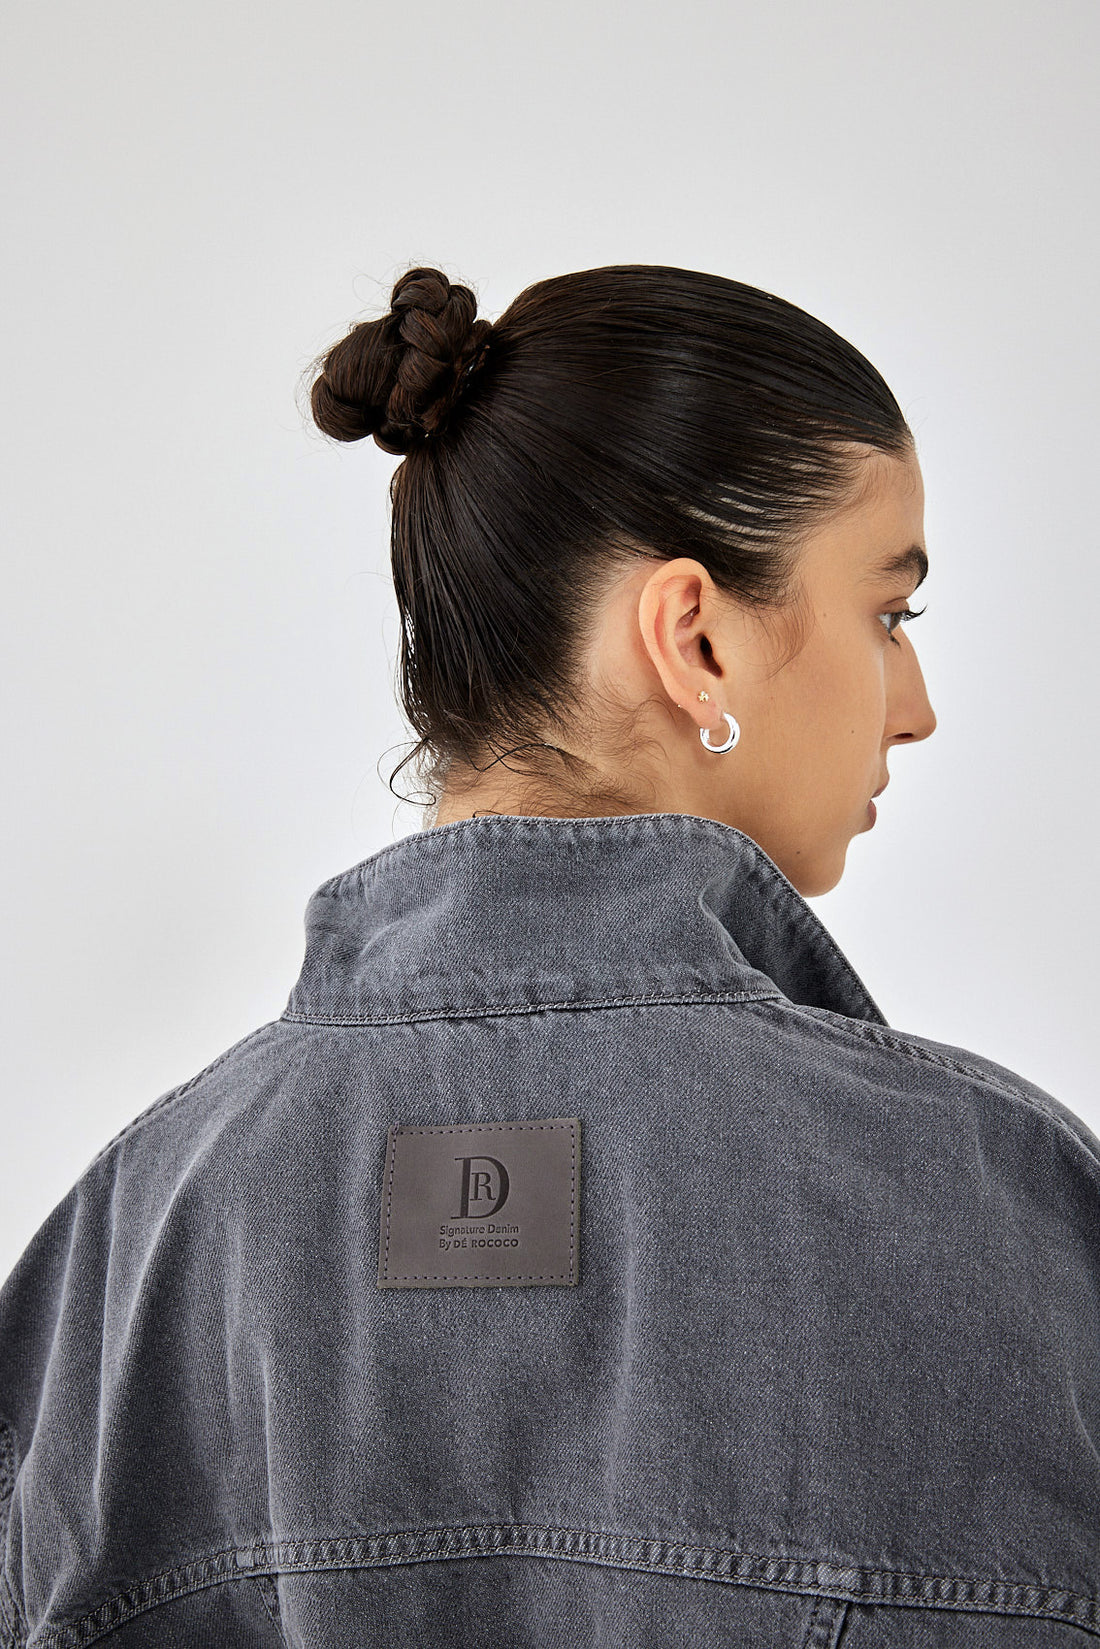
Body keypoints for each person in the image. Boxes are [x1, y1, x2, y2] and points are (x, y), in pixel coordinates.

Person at [1, 264, 1097, 1648]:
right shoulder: (1003, 1206)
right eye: (892, 615)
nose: (917, 705)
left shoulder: (129, 1250)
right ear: (696, 638)